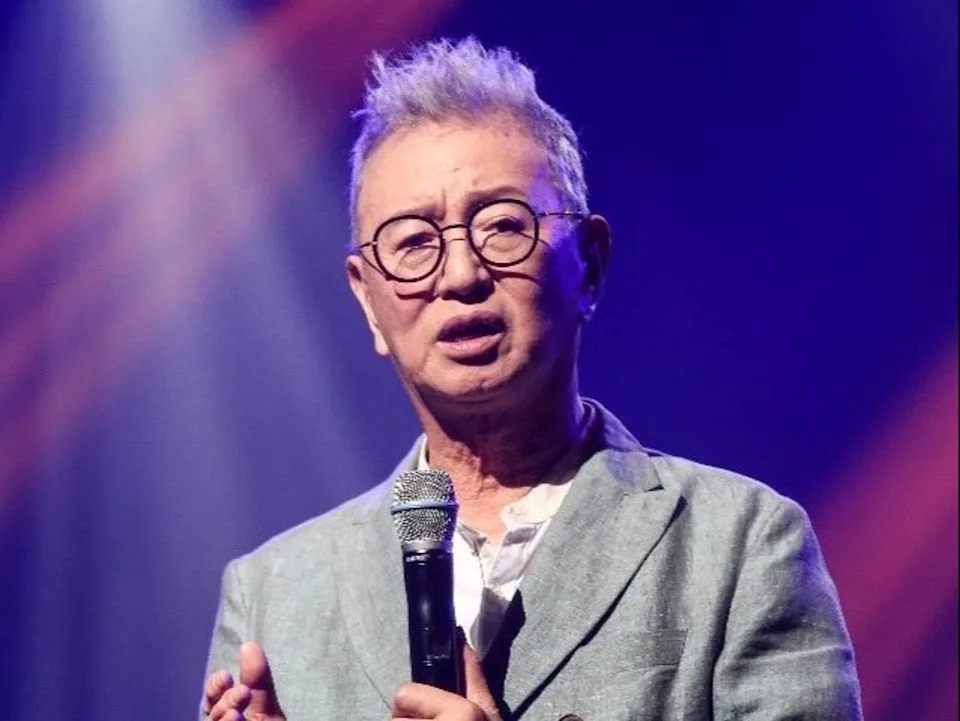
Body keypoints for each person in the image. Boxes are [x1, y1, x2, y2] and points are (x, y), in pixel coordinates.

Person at [199, 38, 862, 720]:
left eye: (502, 227)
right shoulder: (272, 593)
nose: (462, 275)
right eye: (414, 242)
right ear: (368, 299)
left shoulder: (741, 543)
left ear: (590, 264)